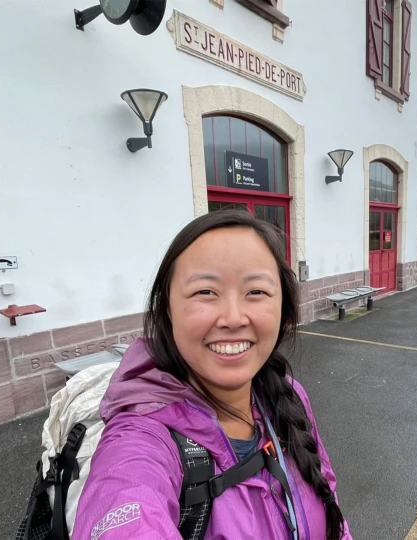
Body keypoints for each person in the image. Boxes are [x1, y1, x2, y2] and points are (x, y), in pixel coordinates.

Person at [72, 210, 351, 539]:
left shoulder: (289, 394)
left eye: (256, 292)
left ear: (284, 310)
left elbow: (329, 503)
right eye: (205, 292)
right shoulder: (141, 436)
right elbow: (123, 502)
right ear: (167, 310)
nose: (233, 318)